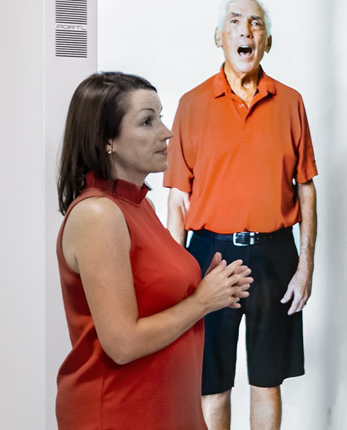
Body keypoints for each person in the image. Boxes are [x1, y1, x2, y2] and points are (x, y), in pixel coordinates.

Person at [55, 72, 253, 430]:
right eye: (147, 121)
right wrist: (202, 301)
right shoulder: (99, 214)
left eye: (160, 117)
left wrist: (211, 288)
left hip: (167, 410)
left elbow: (154, 295)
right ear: (106, 140)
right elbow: (123, 343)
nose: (166, 132)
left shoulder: (138, 204)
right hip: (119, 414)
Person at [165, 0, 319, 430]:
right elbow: (178, 199)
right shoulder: (192, 105)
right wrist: (177, 276)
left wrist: (305, 265)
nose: (245, 30)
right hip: (209, 257)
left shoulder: (290, 102)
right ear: (219, 37)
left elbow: (306, 189)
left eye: (255, 23)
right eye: (235, 21)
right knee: (212, 383)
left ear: (267, 41)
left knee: (267, 381)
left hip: (275, 254)